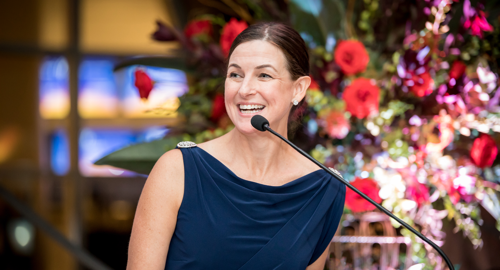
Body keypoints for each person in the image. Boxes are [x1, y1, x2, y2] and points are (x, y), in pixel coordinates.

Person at [127, 22, 346, 270]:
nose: (244, 89)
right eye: (235, 74)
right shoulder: (176, 171)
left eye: (264, 75)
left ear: (298, 89)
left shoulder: (325, 190)